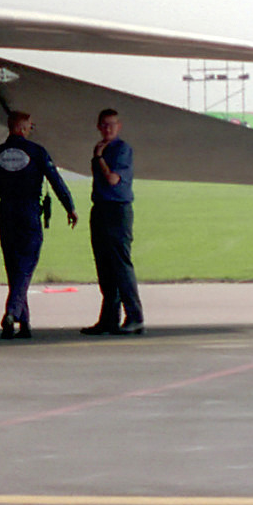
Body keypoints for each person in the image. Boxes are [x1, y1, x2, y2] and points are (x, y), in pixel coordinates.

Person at [0, 111, 77, 339]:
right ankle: (11, 313)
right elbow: (56, 181)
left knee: (14, 267)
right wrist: (69, 207)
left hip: (6, 215)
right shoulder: (37, 152)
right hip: (29, 214)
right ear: (23, 129)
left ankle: (23, 323)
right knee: (26, 266)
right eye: (30, 126)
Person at [82, 109, 143, 336]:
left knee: (120, 264)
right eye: (104, 125)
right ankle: (109, 318)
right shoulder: (101, 149)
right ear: (98, 127)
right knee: (104, 265)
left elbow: (113, 179)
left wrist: (99, 159)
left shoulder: (121, 150)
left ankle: (135, 316)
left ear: (119, 126)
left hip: (117, 210)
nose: (108, 129)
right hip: (100, 209)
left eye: (112, 125)